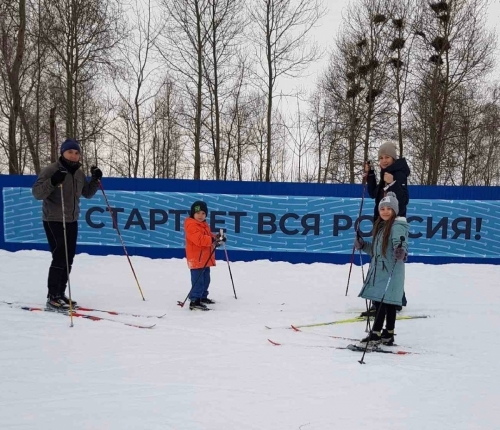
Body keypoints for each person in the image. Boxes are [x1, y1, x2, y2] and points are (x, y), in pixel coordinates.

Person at [32, 139, 102, 310]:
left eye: (77, 152)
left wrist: (95, 180)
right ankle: (52, 296)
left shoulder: (78, 173)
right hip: (54, 219)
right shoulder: (51, 170)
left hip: (71, 220)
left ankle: (61, 293)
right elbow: (37, 193)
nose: (74, 155)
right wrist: (53, 181)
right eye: (70, 151)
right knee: (60, 255)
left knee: (69, 257)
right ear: (63, 152)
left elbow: (87, 193)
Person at [354, 192, 409, 346]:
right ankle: (388, 334)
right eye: (382, 208)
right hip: (381, 270)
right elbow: (376, 251)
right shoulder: (381, 226)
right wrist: (363, 245)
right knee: (388, 303)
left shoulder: (397, 226)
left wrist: (401, 250)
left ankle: (376, 333)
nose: (385, 211)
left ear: (395, 210)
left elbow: (401, 243)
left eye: (388, 208)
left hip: (390, 270)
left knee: (382, 303)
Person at [363, 142, 410, 313]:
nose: (383, 160)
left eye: (387, 157)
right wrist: (371, 175)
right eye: (381, 158)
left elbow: (403, 200)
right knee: (382, 259)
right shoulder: (385, 172)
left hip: (395, 222)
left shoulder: (399, 173)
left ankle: (387, 301)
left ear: (394, 158)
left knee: (388, 261)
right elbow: (375, 194)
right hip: (381, 221)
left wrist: (393, 183)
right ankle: (396, 299)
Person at [184, 200, 226, 311]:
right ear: (193, 214)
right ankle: (194, 300)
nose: (200, 215)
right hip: (196, 258)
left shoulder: (203, 224)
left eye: (203, 213)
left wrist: (217, 238)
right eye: (198, 213)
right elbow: (199, 239)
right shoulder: (191, 225)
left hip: (204, 257)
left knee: (206, 279)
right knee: (198, 280)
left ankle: (202, 297)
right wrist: (212, 239)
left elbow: (208, 236)